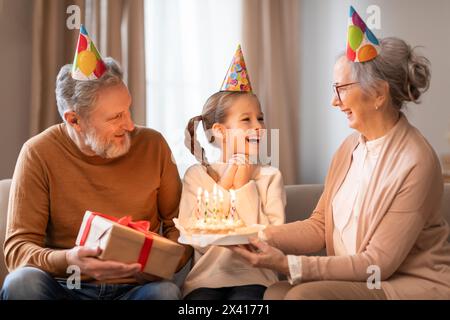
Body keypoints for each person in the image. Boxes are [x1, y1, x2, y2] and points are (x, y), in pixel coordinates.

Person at [230, 7, 450, 300]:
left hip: (405, 283)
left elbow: (377, 263)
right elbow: (320, 226)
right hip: (367, 277)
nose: (334, 102)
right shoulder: (349, 148)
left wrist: (288, 264)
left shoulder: (416, 161)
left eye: (342, 89)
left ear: (379, 94)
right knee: (275, 292)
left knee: (298, 297)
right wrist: (255, 233)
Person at [1, 25, 192, 300]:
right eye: (115, 117)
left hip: (135, 289)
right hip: (65, 286)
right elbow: (18, 250)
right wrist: (70, 259)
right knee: (22, 283)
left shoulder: (153, 145)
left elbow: (179, 226)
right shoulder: (38, 153)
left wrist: (159, 263)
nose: (129, 125)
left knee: (165, 292)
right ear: (74, 120)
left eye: (128, 110)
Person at [178, 45, 286, 300]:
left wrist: (245, 184)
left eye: (260, 118)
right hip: (205, 281)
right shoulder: (196, 176)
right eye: (246, 120)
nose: (258, 127)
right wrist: (228, 181)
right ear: (220, 131)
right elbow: (197, 238)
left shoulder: (270, 176)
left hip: (257, 278)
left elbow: (271, 238)